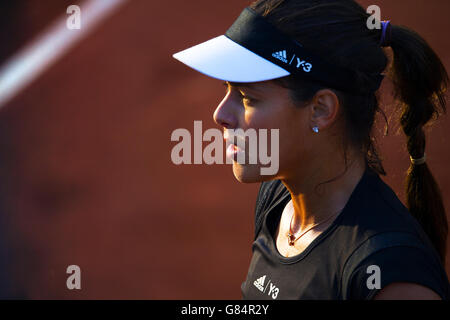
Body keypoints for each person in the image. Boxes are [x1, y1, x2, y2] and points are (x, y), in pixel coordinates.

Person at [172, 0, 450, 300]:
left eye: (247, 97)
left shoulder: (391, 276)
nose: (220, 115)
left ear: (320, 109)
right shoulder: (278, 200)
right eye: (227, 90)